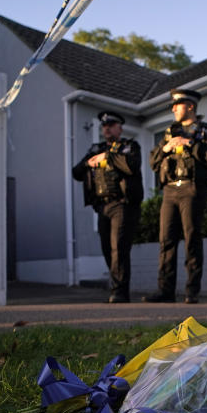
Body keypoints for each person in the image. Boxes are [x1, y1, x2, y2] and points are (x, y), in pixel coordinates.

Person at [145, 88, 207, 304]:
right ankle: (165, 291)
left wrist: (189, 143)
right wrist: (168, 146)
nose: (174, 108)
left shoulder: (204, 130)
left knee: (191, 239)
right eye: (173, 105)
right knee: (166, 240)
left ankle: (191, 291)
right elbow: (153, 162)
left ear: (190, 106)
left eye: (177, 105)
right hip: (169, 190)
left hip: (191, 188)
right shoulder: (170, 132)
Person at [71, 110, 143, 303]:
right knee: (107, 249)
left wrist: (108, 158)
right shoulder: (96, 149)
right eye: (104, 126)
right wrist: (90, 161)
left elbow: (131, 166)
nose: (107, 128)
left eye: (111, 125)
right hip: (102, 206)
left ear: (120, 128)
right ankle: (117, 288)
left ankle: (120, 292)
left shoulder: (129, 146)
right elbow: (76, 172)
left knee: (118, 248)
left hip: (122, 204)